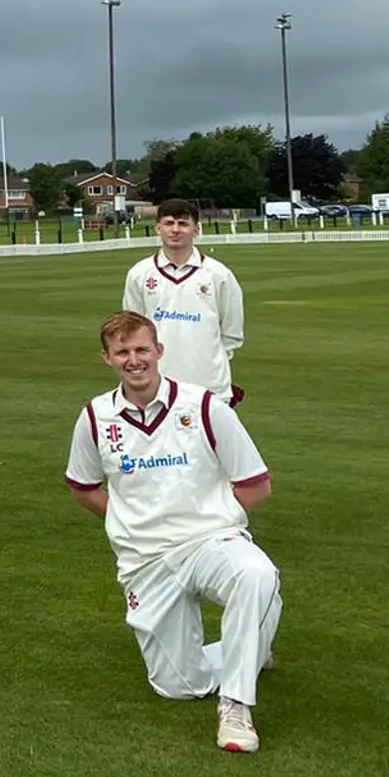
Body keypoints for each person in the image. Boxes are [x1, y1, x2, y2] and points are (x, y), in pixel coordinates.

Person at [65, 311, 280, 753]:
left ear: (159, 351)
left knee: (254, 574)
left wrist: (207, 515)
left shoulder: (204, 406)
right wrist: (129, 522)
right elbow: (83, 489)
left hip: (209, 541)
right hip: (146, 560)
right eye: (122, 352)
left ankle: (236, 708)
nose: (134, 360)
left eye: (142, 349)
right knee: (178, 685)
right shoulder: (95, 417)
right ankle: (254, 643)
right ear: (107, 358)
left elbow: (257, 486)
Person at [121, 199, 245, 397]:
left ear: (196, 230)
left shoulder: (219, 275)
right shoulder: (139, 274)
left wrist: (208, 361)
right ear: (158, 229)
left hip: (210, 387)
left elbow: (232, 333)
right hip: (157, 386)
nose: (175, 230)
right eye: (169, 223)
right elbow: (133, 331)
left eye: (183, 224)